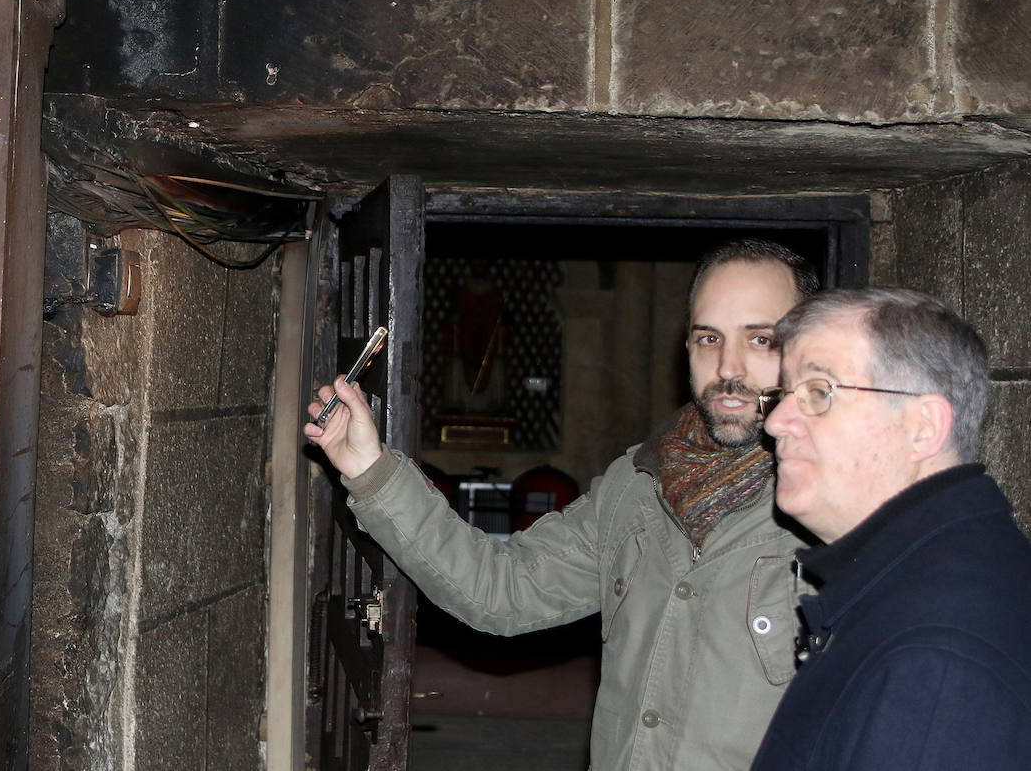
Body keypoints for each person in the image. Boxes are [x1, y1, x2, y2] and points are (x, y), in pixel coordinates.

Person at [304, 239, 819, 771]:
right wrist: (370, 468)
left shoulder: (840, 513)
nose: (728, 366)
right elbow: (501, 589)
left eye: (761, 339)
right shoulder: (637, 486)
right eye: (709, 337)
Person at [749, 287, 1031, 770]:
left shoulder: (938, 663)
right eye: (781, 394)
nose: (775, 422)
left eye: (819, 392)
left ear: (923, 427)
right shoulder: (915, 579)